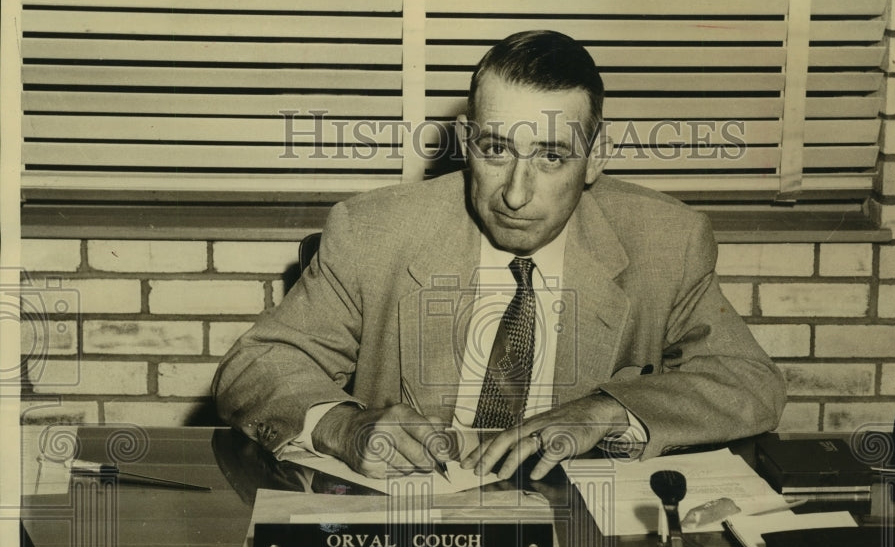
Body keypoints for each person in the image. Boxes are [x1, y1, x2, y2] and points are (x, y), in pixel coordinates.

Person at [213, 30, 785, 483]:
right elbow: (255, 365)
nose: (514, 193)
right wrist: (344, 427)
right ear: (466, 141)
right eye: (495, 149)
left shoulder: (666, 241)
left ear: (596, 157)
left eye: (552, 156)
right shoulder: (372, 231)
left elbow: (747, 381)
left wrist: (605, 411)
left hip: (579, 533)